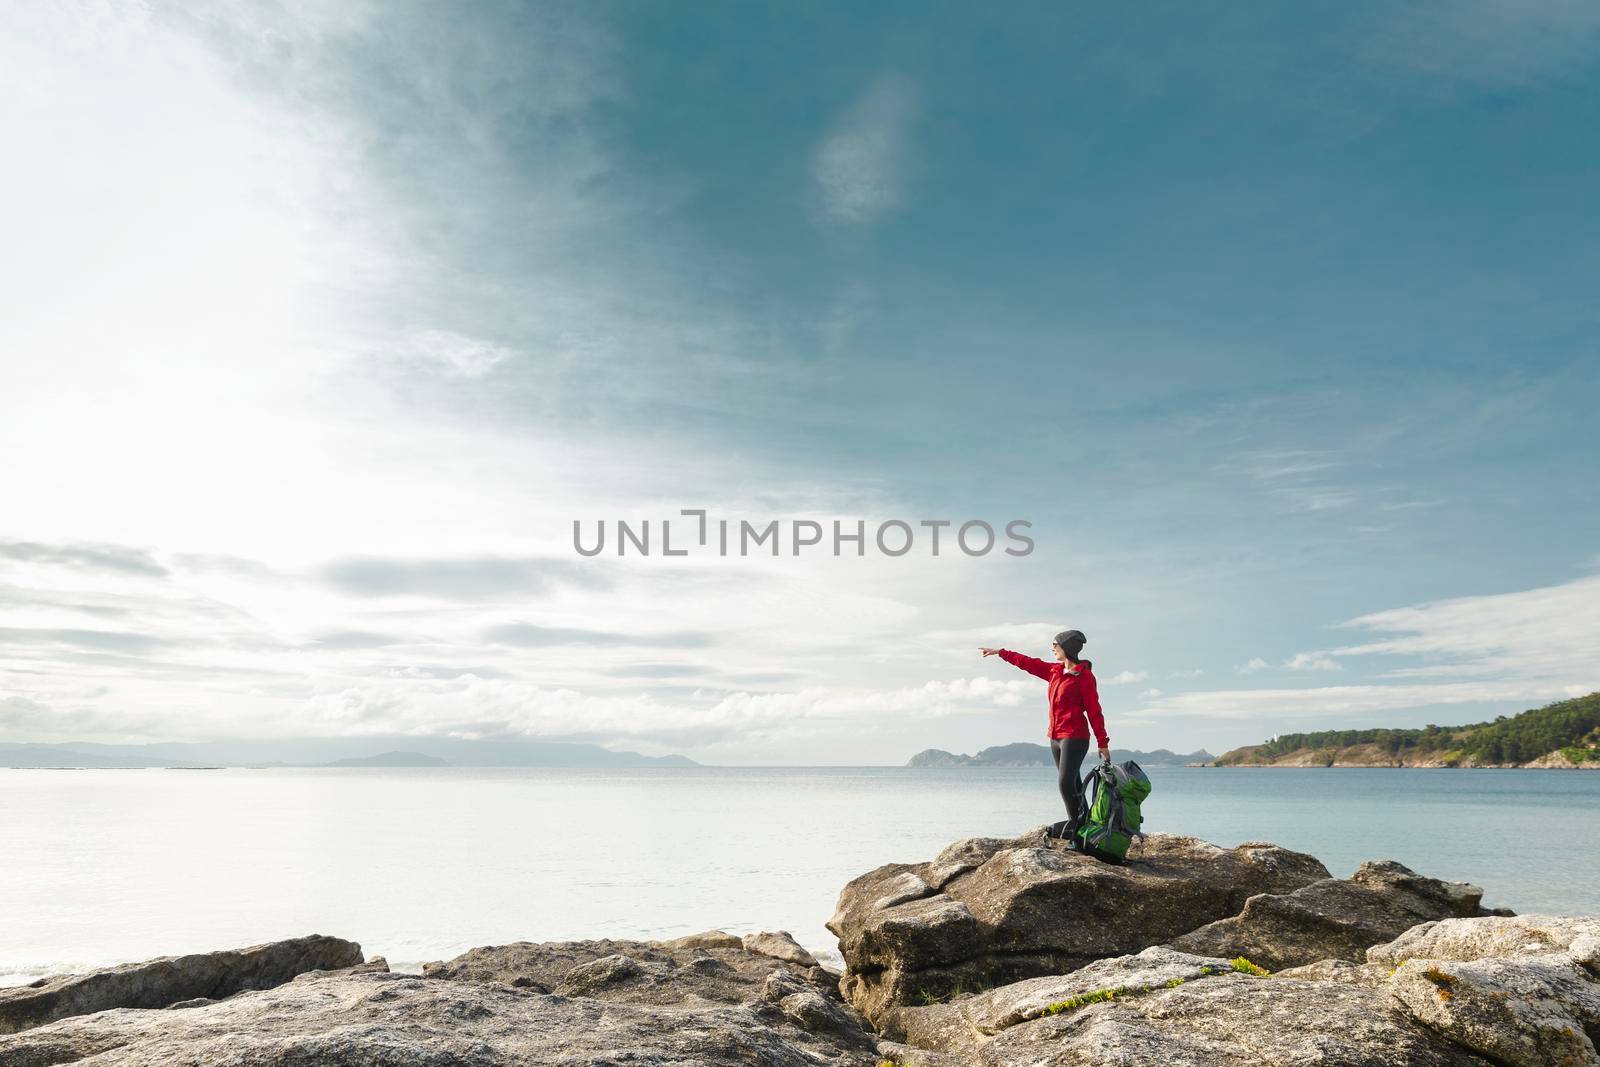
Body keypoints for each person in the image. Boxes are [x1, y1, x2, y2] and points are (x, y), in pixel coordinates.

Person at [980, 630, 1110, 838]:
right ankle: (1083, 825)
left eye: (1055, 645)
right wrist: (1001, 653)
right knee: (1073, 782)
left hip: (1075, 736)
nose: (1052, 648)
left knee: (1065, 782)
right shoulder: (1054, 671)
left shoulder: (1084, 677)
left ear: (1066, 647)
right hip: (1056, 737)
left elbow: (1095, 711)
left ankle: (1075, 826)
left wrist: (1102, 741)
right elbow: (1028, 663)